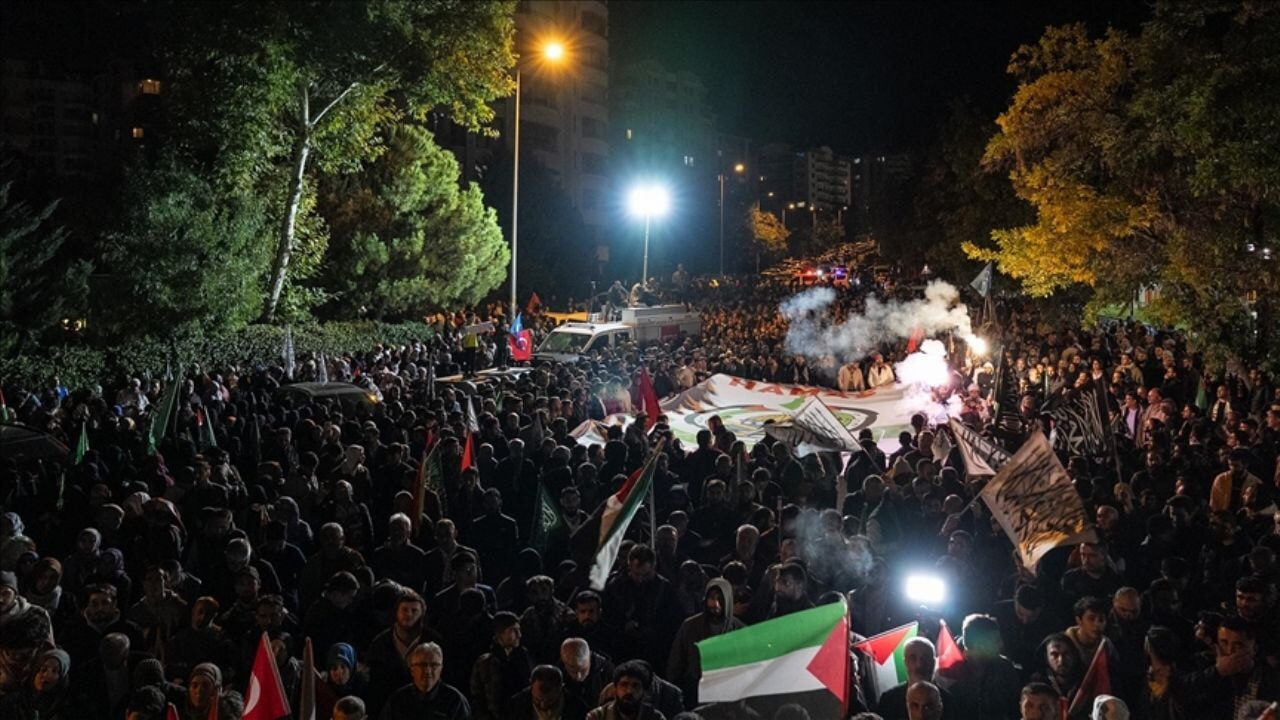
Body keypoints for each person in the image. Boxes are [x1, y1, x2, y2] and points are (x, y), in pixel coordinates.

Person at [379, 642, 470, 720]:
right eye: (422, 665)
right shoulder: (397, 701)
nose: (428, 671)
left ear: (441, 669)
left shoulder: (455, 701)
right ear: (412, 670)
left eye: (434, 665)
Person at [470, 612, 532, 720]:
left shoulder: (523, 656)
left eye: (519, 630)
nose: (519, 635)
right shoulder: (486, 662)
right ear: (499, 634)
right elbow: (477, 695)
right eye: (513, 630)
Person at [586, 660, 666, 720]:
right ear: (614, 689)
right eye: (624, 685)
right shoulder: (598, 716)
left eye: (635, 686)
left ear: (644, 691)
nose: (629, 691)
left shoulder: (656, 718)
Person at [507, 664, 590, 720]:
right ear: (531, 685)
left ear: (561, 688)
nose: (543, 706)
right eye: (537, 700)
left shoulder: (579, 710)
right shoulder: (516, 706)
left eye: (550, 701)